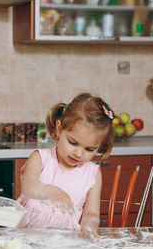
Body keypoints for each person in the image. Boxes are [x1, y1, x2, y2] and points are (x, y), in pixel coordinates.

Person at [16, 93, 115, 240]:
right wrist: (51, 191)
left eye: (90, 149)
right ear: (59, 128)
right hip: (27, 239)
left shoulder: (92, 174)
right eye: (73, 142)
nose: (79, 153)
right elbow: (28, 186)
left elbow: (91, 214)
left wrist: (89, 226)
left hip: (65, 245)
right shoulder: (41, 158)